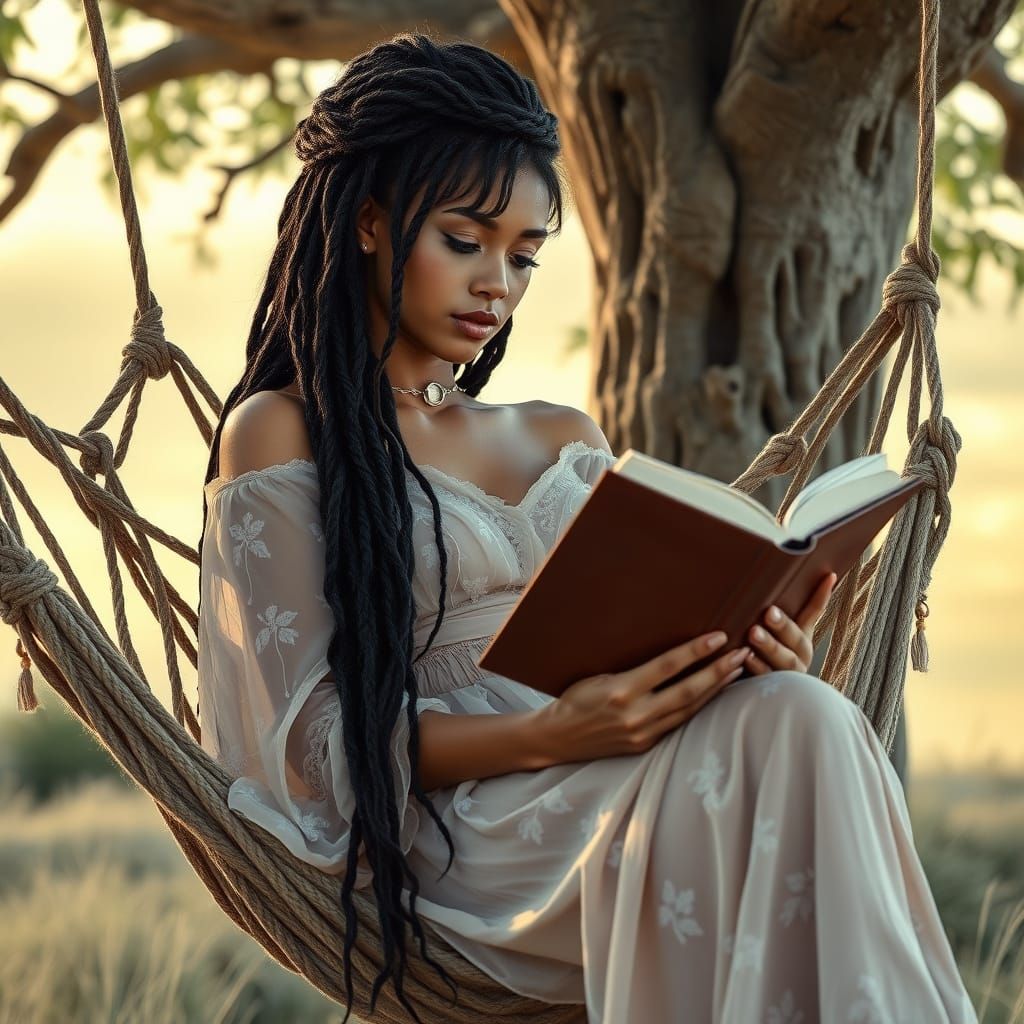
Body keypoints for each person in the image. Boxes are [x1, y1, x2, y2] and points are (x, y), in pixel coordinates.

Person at [196, 31, 977, 1024]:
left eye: (524, 255)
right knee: (806, 729)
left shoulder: (562, 435)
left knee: (804, 707)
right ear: (367, 221)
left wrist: (755, 649)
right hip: (476, 827)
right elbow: (311, 744)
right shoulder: (281, 432)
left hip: (639, 761)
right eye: (465, 241)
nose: (498, 282)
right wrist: (553, 731)